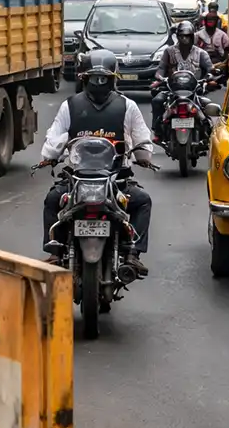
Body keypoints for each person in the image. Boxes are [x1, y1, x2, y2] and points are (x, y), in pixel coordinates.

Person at [39, 49, 154, 276]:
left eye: (102, 78)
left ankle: (55, 252)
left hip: (108, 181)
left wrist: (50, 157)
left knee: (54, 199)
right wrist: (144, 159)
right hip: (90, 181)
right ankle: (132, 254)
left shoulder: (70, 105)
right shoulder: (125, 105)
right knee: (141, 202)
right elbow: (144, 145)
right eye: (95, 78)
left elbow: (52, 144)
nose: (99, 82)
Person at [151, 21, 213, 138]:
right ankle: (158, 131)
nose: (185, 39)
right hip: (172, 90)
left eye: (188, 36)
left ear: (192, 36)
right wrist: (161, 78)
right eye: (182, 36)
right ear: (178, 37)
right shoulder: (169, 52)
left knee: (209, 106)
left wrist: (209, 78)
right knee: (157, 101)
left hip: (195, 90)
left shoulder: (201, 53)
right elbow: (160, 70)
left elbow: (211, 69)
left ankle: (209, 132)